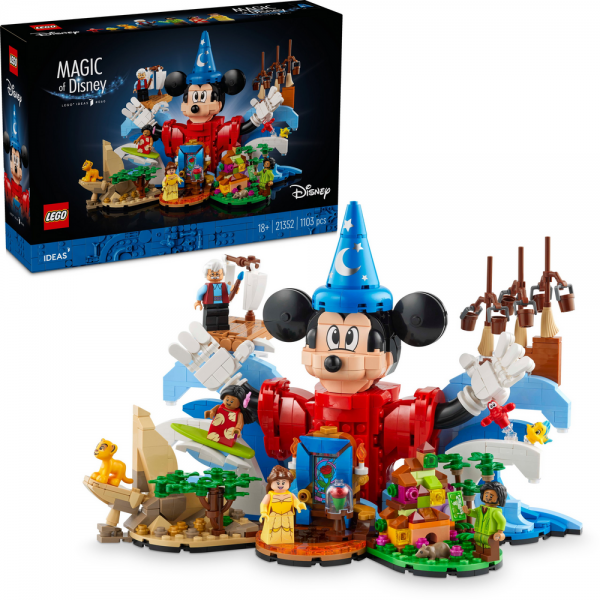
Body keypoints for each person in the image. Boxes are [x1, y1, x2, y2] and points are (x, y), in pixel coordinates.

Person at [259, 466, 306, 545]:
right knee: (272, 532)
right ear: (271, 483)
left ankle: (286, 543)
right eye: (278, 483)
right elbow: (263, 504)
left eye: (283, 483)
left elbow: (295, 501)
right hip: (273, 517)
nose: (280, 485)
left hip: (287, 517)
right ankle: (272, 542)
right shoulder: (269, 496)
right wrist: (263, 513)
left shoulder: (290, 495)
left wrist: (298, 505)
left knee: (287, 532)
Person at [462, 481, 507, 562]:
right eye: (486, 495)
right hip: (479, 531)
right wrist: (468, 512)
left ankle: (490, 556)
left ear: (499, 498)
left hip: (490, 534)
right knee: (479, 543)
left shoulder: (495, 512)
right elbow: (475, 513)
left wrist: (500, 532)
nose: (488, 497)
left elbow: (502, 521)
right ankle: (479, 553)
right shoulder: (481, 508)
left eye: (491, 496)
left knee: (489, 545)